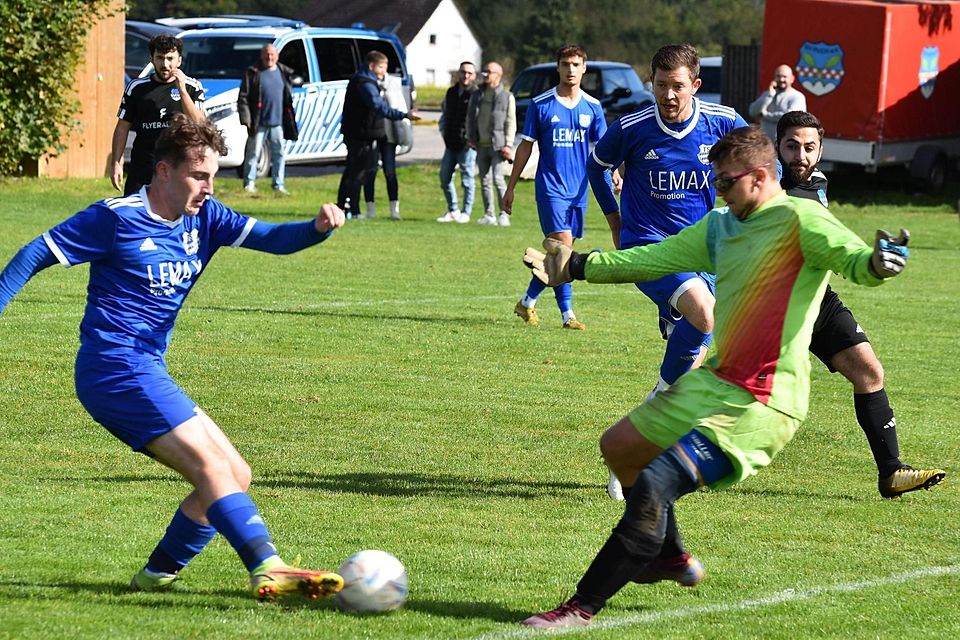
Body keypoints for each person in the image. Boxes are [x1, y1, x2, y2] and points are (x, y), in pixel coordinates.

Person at [519, 125, 911, 628]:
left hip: (763, 402)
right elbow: (653, 258)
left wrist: (880, 263)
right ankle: (668, 555)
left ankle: (581, 608)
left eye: (725, 183)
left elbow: (857, 262)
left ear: (760, 176)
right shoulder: (721, 226)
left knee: (658, 480)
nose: (717, 191)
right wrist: (576, 266)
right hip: (717, 381)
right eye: (716, 181)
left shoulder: (803, 220)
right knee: (620, 448)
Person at [0, 115, 347, 601]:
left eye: (214, 176)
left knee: (235, 474)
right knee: (210, 466)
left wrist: (315, 228)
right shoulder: (114, 218)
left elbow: (272, 238)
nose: (209, 187)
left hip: (147, 365)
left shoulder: (206, 217)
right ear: (163, 170)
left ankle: (156, 576)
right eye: (199, 176)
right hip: (113, 368)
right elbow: (35, 253)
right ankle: (268, 567)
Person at [586, 43, 747, 472]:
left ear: (695, 85)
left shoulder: (724, 122)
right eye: (661, 85)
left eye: (677, 86)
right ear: (651, 83)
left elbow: (763, 165)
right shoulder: (633, 126)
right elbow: (597, 164)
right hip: (649, 245)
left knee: (691, 371)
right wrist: (616, 220)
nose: (669, 95)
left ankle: (641, 438)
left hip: (702, 251)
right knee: (705, 316)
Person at [776, 110, 945, 497]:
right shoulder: (766, 190)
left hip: (817, 301)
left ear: (820, 150)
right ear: (777, 147)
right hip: (770, 310)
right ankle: (664, 458)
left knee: (869, 371)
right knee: (750, 400)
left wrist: (867, 258)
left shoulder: (818, 183)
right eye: (791, 146)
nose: (800, 155)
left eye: (809, 147)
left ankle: (891, 471)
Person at [503, 45, 615, 330]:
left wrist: (614, 172)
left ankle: (527, 303)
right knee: (564, 250)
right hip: (551, 188)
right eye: (565, 64)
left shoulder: (593, 106)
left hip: (579, 190)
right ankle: (568, 316)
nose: (570, 69)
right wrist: (511, 186)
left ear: (584, 68)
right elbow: (525, 147)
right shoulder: (541, 105)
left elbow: (605, 149)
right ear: (558, 67)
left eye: (576, 64)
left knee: (560, 258)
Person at [111, 34, 205, 196]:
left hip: (178, 169)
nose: (165, 64)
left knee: (176, 219)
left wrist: (181, 90)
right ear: (152, 59)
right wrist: (116, 163)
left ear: (179, 61)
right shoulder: (136, 88)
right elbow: (122, 127)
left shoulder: (192, 87)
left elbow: (200, 125)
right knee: (135, 217)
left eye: (170, 58)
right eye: (160, 58)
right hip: (143, 168)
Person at [337, 50, 419, 219]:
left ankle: (345, 207)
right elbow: (378, 106)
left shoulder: (363, 80)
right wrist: (404, 115)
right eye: (381, 67)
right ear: (371, 66)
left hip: (358, 132)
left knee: (354, 170)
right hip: (360, 134)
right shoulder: (365, 83)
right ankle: (352, 209)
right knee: (358, 172)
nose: (384, 71)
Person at [238, 44, 299, 195]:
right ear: (261, 55)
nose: (269, 58)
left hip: (277, 123)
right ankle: (249, 183)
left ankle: (278, 184)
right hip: (258, 122)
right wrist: (246, 119)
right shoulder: (253, 72)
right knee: (253, 154)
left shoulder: (283, 72)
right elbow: (243, 98)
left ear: (277, 56)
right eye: (266, 54)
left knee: (279, 154)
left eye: (272, 54)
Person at [467, 61, 516, 227]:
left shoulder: (507, 97)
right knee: (484, 180)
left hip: (498, 145)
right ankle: (489, 214)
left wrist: (508, 144)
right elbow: (470, 118)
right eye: (485, 71)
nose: (485, 75)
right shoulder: (477, 94)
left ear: (498, 75)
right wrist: (471, 136)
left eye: (489, 72)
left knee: (498, 179)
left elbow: (511, 122)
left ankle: (504, 214)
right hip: (481, 144)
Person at [436, 61, 479, 223]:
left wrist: (472, 139)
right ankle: (453, 210)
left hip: (467, 145)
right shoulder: (451, 92)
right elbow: (445, 114)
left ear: (474, 76)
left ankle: (466, 212)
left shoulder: (476, 93)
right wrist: (444, 132)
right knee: (444, 177)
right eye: (463, 72)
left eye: (469, 73)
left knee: (467, 180)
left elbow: (477, 119)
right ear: (458, 73)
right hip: (450, 142)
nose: (466, 76)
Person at [362, 72, 406, 220]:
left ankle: (394, 210)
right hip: (373, 132)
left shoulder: (393, 85)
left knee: (390, 171)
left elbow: (398, 105)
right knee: (370, 171)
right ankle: (370, 209)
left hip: (389, 134)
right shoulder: (368, 85)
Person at [749, 64, 807, 141]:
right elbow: (752, 111)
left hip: (786, 146)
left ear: (792, 79)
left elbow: (791, 117)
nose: (781, 79)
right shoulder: (768, 94)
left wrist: (765, 115)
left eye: (784, 77)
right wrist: (769, 96)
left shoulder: (797, 96)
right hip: (765, 145)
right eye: (778, 76)